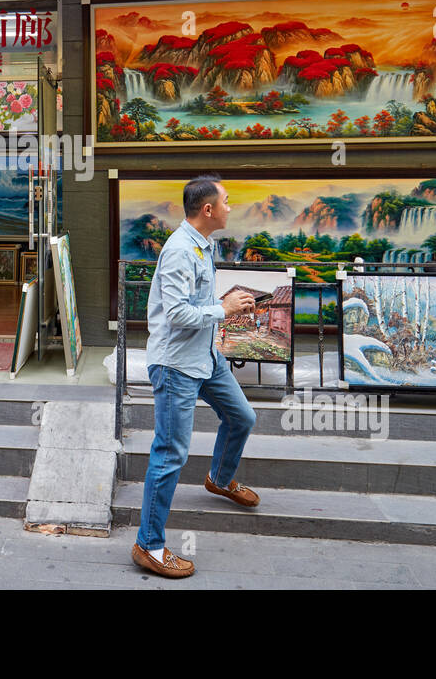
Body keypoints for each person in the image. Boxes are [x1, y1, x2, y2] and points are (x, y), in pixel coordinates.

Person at [132, 174, 260, 579]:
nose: (230, 206)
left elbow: (199, 306)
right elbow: (176, 315)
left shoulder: (203, 246)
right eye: (226, 200)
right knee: (170, 452)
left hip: (204, 356)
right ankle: (148, 544)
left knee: (242, 417)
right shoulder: (179, 251)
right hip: (176, 366)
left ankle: (220, 479)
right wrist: (224, 308)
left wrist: (227, 309)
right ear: (208, 210)